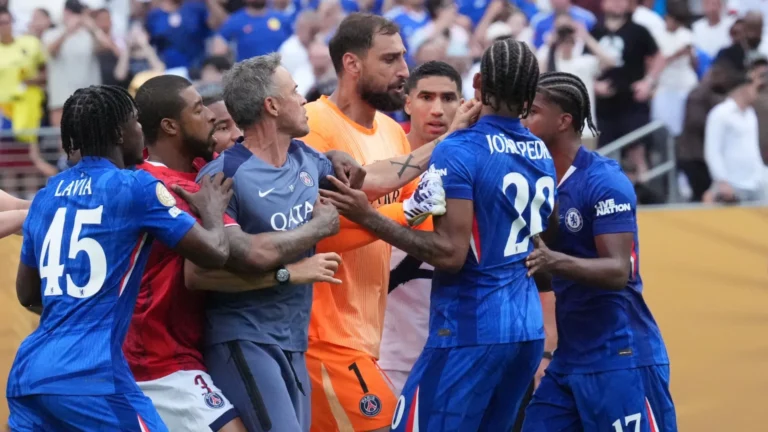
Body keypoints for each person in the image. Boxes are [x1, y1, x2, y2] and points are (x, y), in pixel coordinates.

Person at [319, 38, 557, 431]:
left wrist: (368, 216)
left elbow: (450, 253)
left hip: (470, 327)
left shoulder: (460, 148)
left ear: (478, 85)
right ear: (531, 93)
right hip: (525, 329)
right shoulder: (540, 151)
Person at [7, 85, 235, 431]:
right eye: (136, 124)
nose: (141, 131)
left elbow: (27, 295)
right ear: (119, 133)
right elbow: (216, 253)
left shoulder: (47, 194)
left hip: (29, 372)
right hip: (92, 373)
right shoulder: (136, 187)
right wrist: (214, 210)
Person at [127, 75, 346, 432]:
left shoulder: (200, 174)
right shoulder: (158, 189)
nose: (215, 123)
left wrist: (334, 157)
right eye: (201, 111)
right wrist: (291, 268)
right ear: (170, 126)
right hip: (158, 359)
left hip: (195, 348)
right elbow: (200, 273)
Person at [300, 13, 481, 432]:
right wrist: (419, 200)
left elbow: (408, 222)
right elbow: (328, 229)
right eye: (391, 59)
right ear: (352, 64)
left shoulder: (391, 132)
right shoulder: (314, 127)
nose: (404, 70)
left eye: (403, 57)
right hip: (324, 336)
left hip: (371, 339)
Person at [520, 71, 676, 431]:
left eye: (533, 112)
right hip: (571, 357)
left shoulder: (604, 180)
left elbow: (617, 271)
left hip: (622, 355)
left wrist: (551, 260)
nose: (523, 120)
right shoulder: (538, 180)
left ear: (563, 121)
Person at [378, 60, 462, 395]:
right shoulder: (381, 156)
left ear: (464, 104)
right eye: (426, 97)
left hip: (456, 346)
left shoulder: (475, 163)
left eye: (448, 98)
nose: (438, 109)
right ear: (408, 102)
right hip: (387, 347)